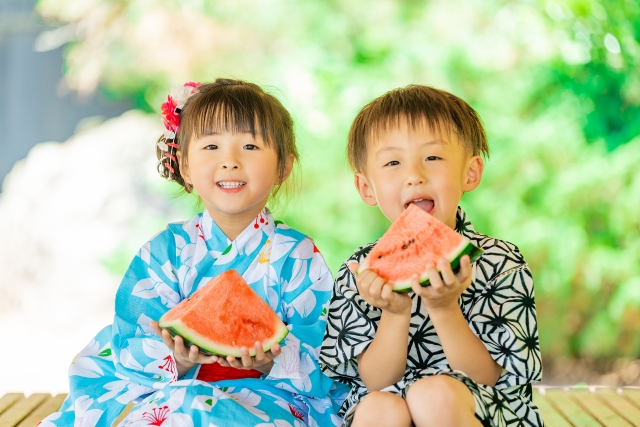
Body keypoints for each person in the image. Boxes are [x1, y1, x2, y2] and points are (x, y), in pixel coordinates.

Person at [40, 79, 347, 427]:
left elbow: (329, 350)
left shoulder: (298, 255)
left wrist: (269, 361)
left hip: (272, 401)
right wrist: (178, 359)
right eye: (212, 146)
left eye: (249, 146)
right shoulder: (164, 252)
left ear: (283, 167)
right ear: (185, 165)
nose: (230, 161)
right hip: (173, 394)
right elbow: (132, 338)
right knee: (180, 407)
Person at [320, 85, 543, 427]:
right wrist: (394, 313)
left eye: (433, 157)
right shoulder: (360, 273)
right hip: (387, 407)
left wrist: (444, 308)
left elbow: (487, 378)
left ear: (470, 172)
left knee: (433, 395)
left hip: (481, 412)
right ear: (366, 187)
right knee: (378, 407)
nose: (414, 175)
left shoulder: (501, 262)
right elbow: (375, 382)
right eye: (393, 162)